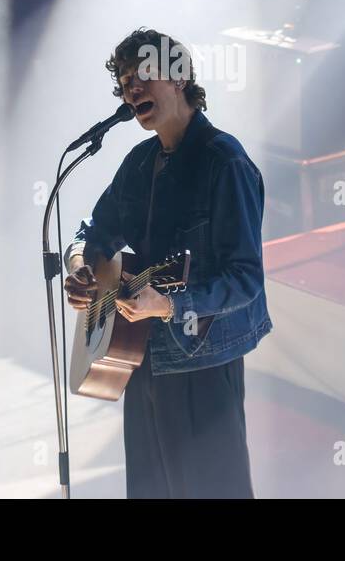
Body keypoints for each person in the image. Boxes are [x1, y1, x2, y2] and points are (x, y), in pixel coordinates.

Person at [64, 28, 272, 498]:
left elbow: (246, 279)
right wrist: (82, 267)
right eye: (123, 83)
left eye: (141, 76)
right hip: (139, 354)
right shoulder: (139, 163)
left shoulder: (225, 162)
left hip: (203, 358)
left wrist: (170, 305)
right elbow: (92, 233)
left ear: (178, 78)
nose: (130, 89)